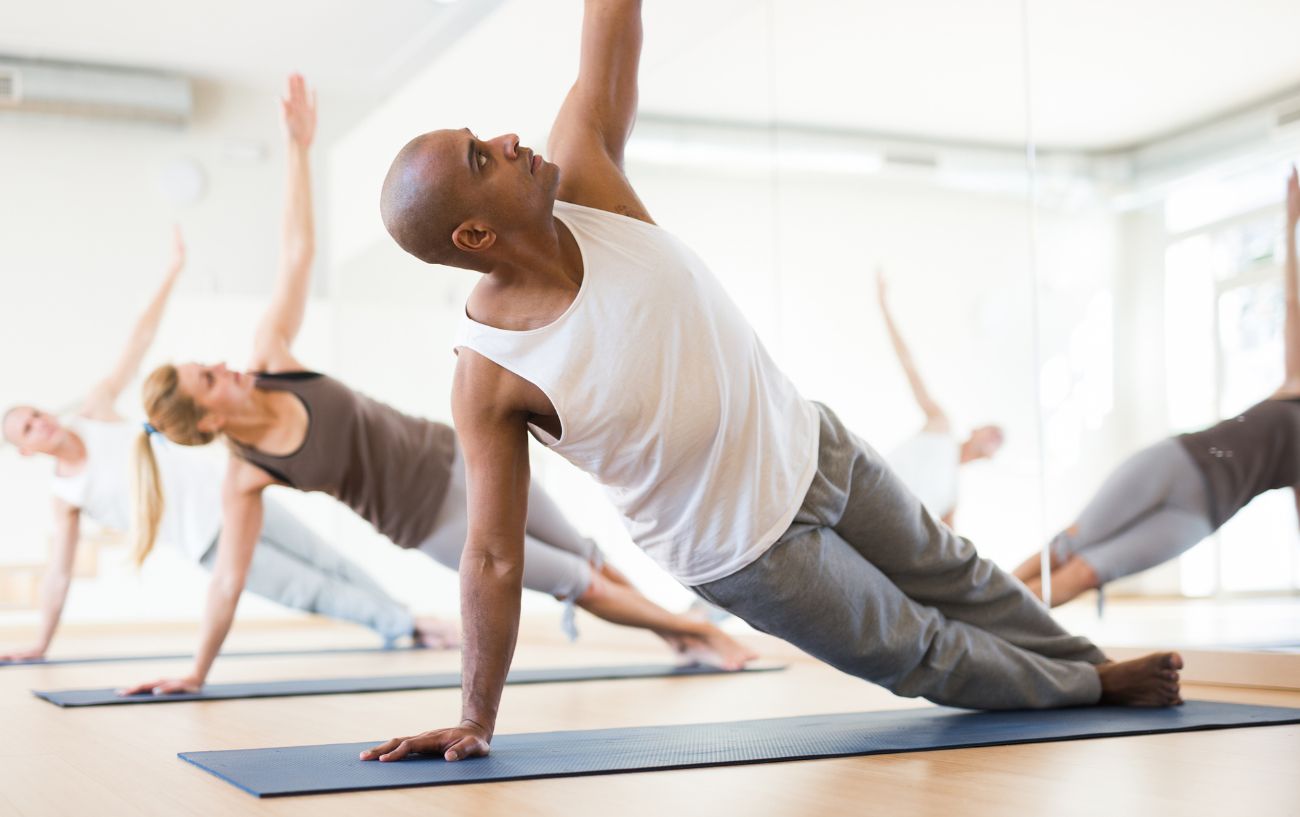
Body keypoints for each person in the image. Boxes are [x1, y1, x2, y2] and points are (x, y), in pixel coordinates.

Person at [365, 0, 1182, 764]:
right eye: (482, 157)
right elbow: (494, 555)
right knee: (918, 646)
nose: (508, 139)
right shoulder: (493, 375)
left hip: (814, 446)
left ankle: (1091, 665)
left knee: (960, 572)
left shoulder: (587, 179)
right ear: (474, 231)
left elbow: (612, 28)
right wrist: (476, 714)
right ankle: (1090, 685)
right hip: (748, 549)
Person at [124, 73, 753, 697]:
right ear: (207, 422)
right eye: (209, 379)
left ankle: (679, 636)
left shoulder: (271, 359)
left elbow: (296, 254)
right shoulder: (247, 475)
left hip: (454, 454)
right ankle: (701, 635)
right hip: (431, 520)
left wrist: (297, 149)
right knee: (573, 581)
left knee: (586, 555)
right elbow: (229, 581)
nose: (224, 366)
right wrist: (196, 673)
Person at [0, 224, 446, 663]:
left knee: (330, 562)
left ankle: (405, 619)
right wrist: (40, 643)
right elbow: (58, 574)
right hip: (206, 543)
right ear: (26, 451)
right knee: (310, 589)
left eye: (36, 414)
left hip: (234, 498)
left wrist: (173, 271)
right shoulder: (66, 497)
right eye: (27, 429)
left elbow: (139, 340)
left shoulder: (94, 411)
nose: (40, 424)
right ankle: (406, 625)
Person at [1013, 168, 1300, 607]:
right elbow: (1292, 303)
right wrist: (1290, 223)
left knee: (1091, 569)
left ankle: (983, 634)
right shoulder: (1294, 382)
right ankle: (975, 603)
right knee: (1073, 543)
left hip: (1200, 515)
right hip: (1178, 461)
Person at [876, 268, 1004, 528]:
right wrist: (884, 306)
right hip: (871, 487)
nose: (995, 438)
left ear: (991, 457)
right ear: (976, 428)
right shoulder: (941, 426)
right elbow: (910, 367)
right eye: (993, 432)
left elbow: (949, 550)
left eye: (998, 441)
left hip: (884, 526)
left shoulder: (952, 499)